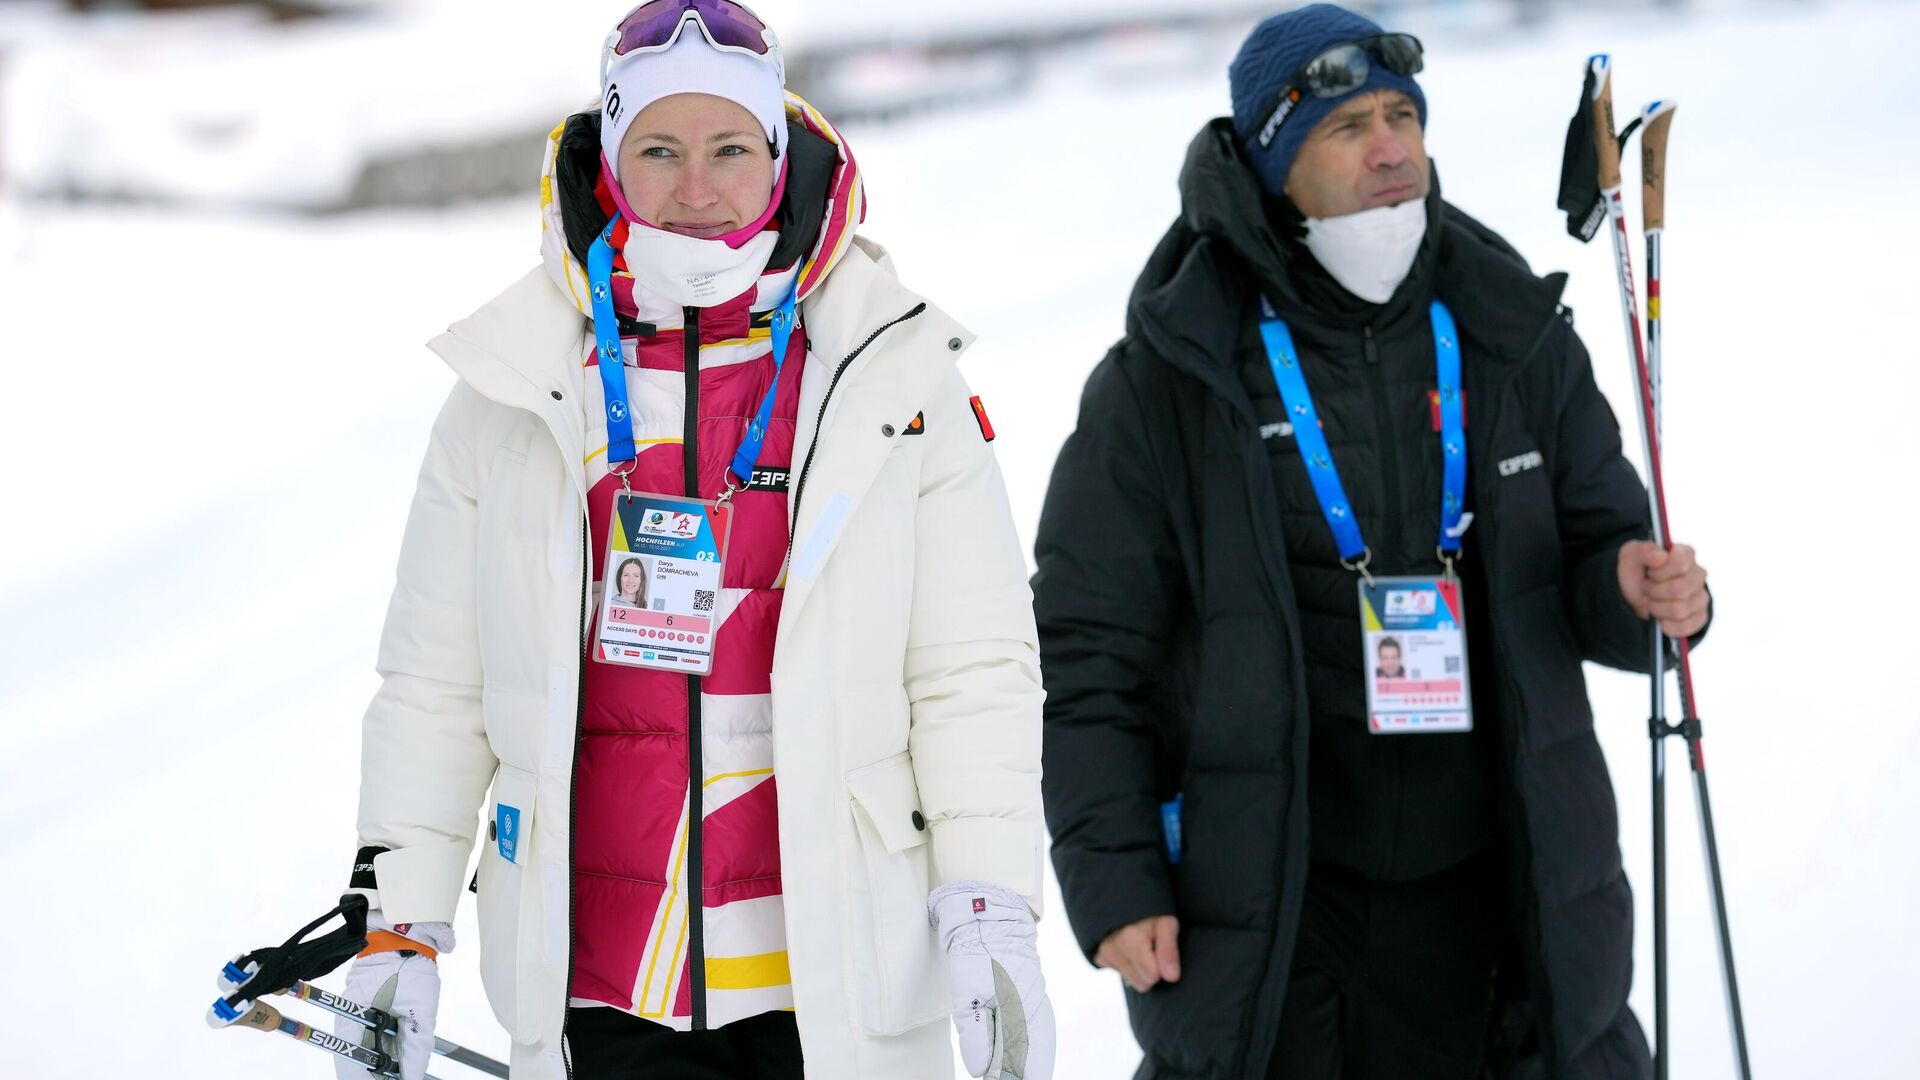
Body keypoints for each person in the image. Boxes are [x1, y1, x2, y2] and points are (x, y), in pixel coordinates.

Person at [325, 3, 1054, 1078]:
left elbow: (970, 668)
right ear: (611, 161)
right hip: (603, 989)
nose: (698, 190)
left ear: (778, 154)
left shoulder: (888, 378)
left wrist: (988, 903)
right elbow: (436, 685)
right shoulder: (514, 385)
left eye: (729, 150)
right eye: (659, 151)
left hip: (835, 983)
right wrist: (397, 924)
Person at [1032, 6, 1710, 1079]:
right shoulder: (1167, 376)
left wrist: (1639, 593)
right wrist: (1114, 881)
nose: (1391, 147)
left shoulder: (1509, 330)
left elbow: (1601, 550)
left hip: (1505, 885)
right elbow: (1089, 654)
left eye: (1403, 116)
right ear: (1273, 160)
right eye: (1348, 127)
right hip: (1276, 912)